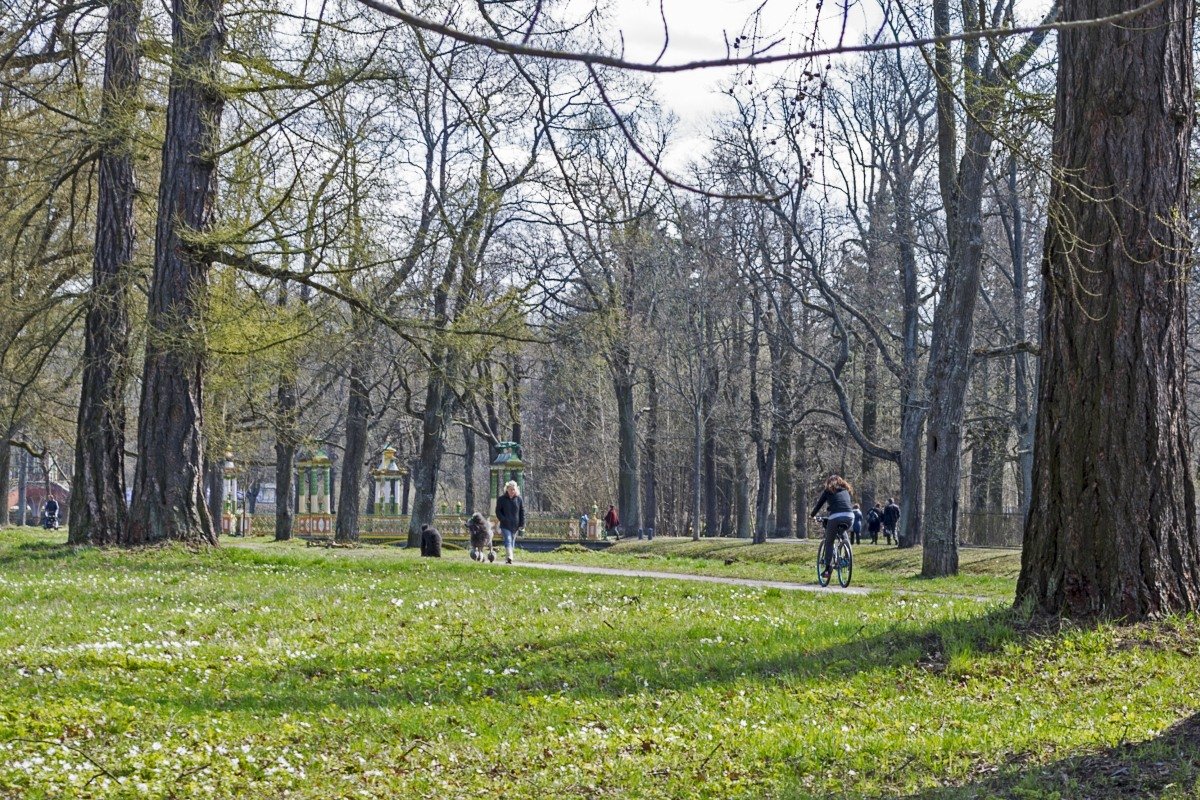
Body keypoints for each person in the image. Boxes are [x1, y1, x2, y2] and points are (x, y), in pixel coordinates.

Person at [810, 475, 855, 582]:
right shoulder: (846, 490)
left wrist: (812, 516)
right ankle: (847, 558)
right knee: (843, 535)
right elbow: (844, 503)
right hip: (850, 516)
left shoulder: (828, 491)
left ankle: (827, 569)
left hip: (835, 517)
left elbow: (818, 505)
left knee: (829, 542)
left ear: (829, 483)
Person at [495, 480, 525, 564]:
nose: (512, 491)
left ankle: (508, 559)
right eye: (510, 489)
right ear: (507, 489)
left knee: (512, 542)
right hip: (505, 524)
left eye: (513, 489)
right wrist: (503, 518)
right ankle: (510, 556)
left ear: (516, 490)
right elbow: (498, 511)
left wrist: (522, 524)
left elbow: (522, 512)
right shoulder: (501, 499)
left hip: (515, 525)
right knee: (508, 540)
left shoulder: (519, 499)